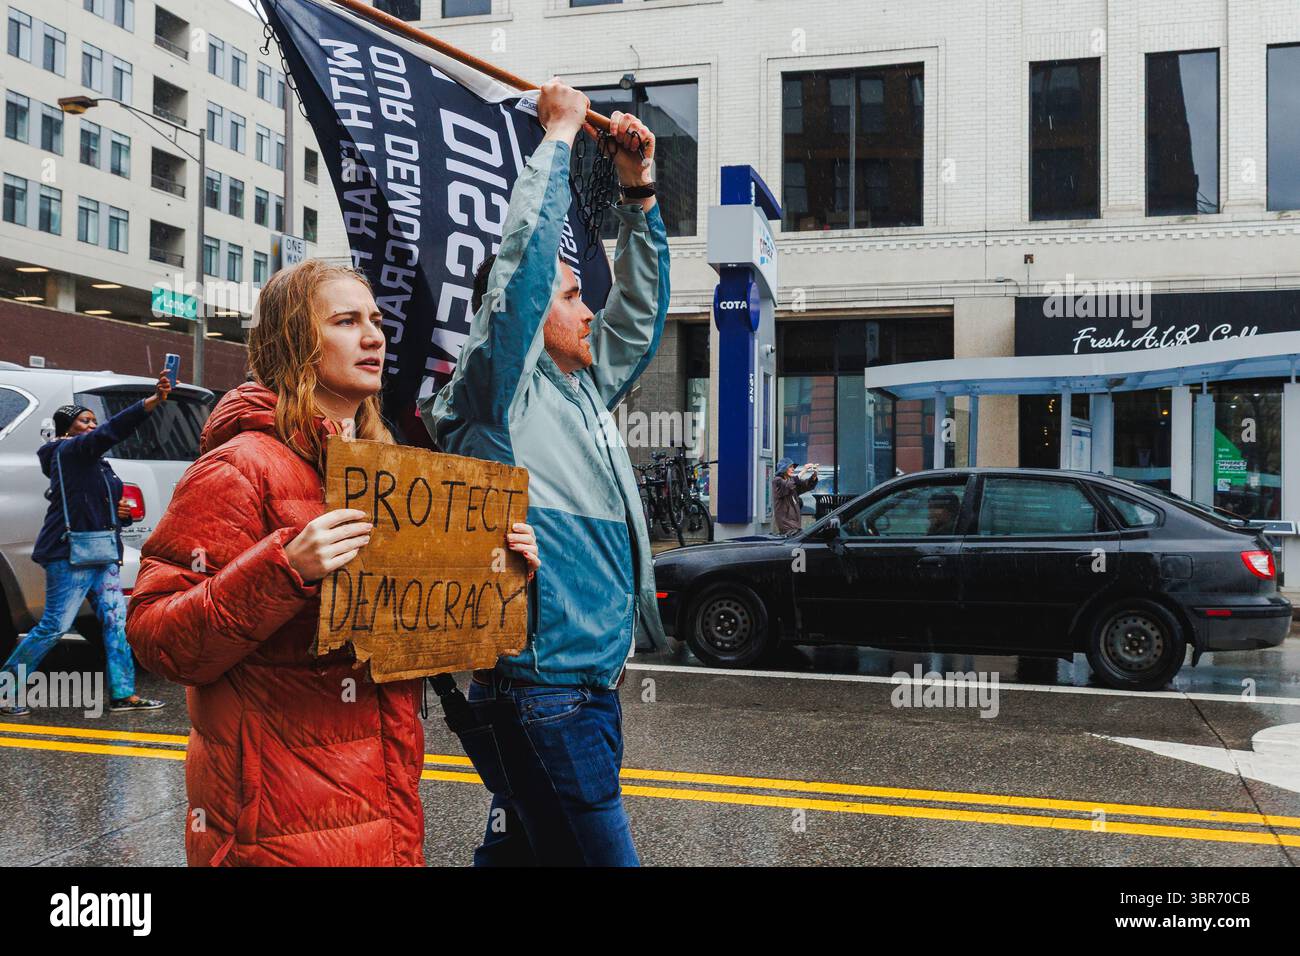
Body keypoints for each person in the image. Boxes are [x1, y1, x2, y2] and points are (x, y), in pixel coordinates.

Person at [126, 259, 541, 866]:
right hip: (275, 832)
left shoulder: (388, 468)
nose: (374, 336)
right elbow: (158, 638)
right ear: (294, 341)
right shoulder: (239, 467)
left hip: (386, 814)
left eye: (375, 320)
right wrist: (284, 568)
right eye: (347, 321)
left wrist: (497, 575)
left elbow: (419, 632)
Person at [421, 78, 669, 866]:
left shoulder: (584, 385)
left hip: (578, 688)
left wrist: (637, 192)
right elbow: (522, 274)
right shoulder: (494, 395)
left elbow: (638, 307)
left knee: (519, 855)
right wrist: (557, 138)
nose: (588, 308)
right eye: (572, 296)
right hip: (546, 692)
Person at [0, 373, 173, 718]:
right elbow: (112, 432)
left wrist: (119, 514)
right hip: (69, 555)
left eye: (94, 420)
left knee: (114, 622)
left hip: (104, 554)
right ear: (67, 429)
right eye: (85, 420)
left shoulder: (96, 464)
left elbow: (97, 508)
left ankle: (124, 694)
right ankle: (6, 691)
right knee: (54, 626)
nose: (93, 425)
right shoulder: (67, 451)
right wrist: (149, 404)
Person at [772, 457, 819, 535]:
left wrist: (814, 476)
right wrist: (804, 471)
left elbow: (805, 485)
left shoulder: (791, 481)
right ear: (783, 469)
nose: (793, 469)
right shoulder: (777, 481)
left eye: (793, 467)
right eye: (790, 467)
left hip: (795, 524)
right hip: (786, 524)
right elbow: (788, 485)